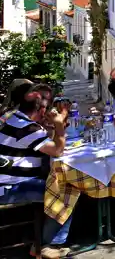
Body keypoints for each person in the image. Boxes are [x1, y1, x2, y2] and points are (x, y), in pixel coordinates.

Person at [0, 85, 72, 258]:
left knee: (54, 183)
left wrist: (51, 127)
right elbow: (57, 150)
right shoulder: (28, 128)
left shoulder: (11, 117)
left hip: (8, 182)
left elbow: (41, 137)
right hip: (9, 188)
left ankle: (40, 238)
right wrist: (58, 124)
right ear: (41, 109)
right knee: (65, 191)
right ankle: (50, 244)